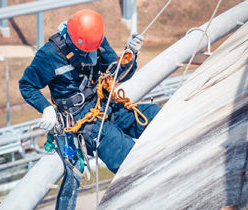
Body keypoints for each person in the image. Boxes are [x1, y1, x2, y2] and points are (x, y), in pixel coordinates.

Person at [19, 9, 161, 209]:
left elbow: (117, 73)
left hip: (103, 102)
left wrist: (130, 54)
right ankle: (154, 192)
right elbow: (27, 85)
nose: (90, 55)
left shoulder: (95, 40)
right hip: (80, 118)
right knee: (125, 153)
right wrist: (46, 108)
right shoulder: (49, 55)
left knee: (156, 116)